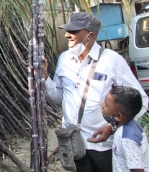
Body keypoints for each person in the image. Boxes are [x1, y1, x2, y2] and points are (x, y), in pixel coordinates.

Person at [44, 12, 148, 172]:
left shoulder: (112, 60)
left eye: (73, 31)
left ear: (90, 35)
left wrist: (112, 126)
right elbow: (58, 98)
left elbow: (140, 100)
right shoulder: (64, 59)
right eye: (67, 30)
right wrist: (45, 78)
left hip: (104, 146)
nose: (66, 35)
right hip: (75, 143)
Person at [101, 85, 149, 172]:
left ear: (118, 116)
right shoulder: (131, 125)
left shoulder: (127, 139)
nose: (102, 105)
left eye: (106, 105)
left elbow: (137, 169)